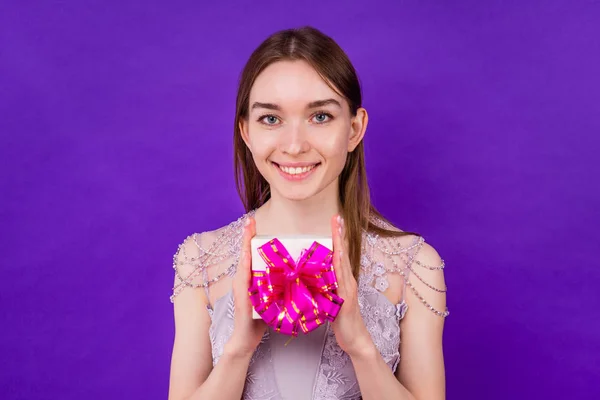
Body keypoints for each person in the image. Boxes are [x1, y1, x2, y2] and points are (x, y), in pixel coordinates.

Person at [168, 26, 448, 400]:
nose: (295, 145)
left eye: (320, 117)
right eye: (271, 118)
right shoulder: (199, 261)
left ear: (354, 128)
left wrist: (361, 347)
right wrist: (238, 349)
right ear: (246, 132)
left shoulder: (416, 265)